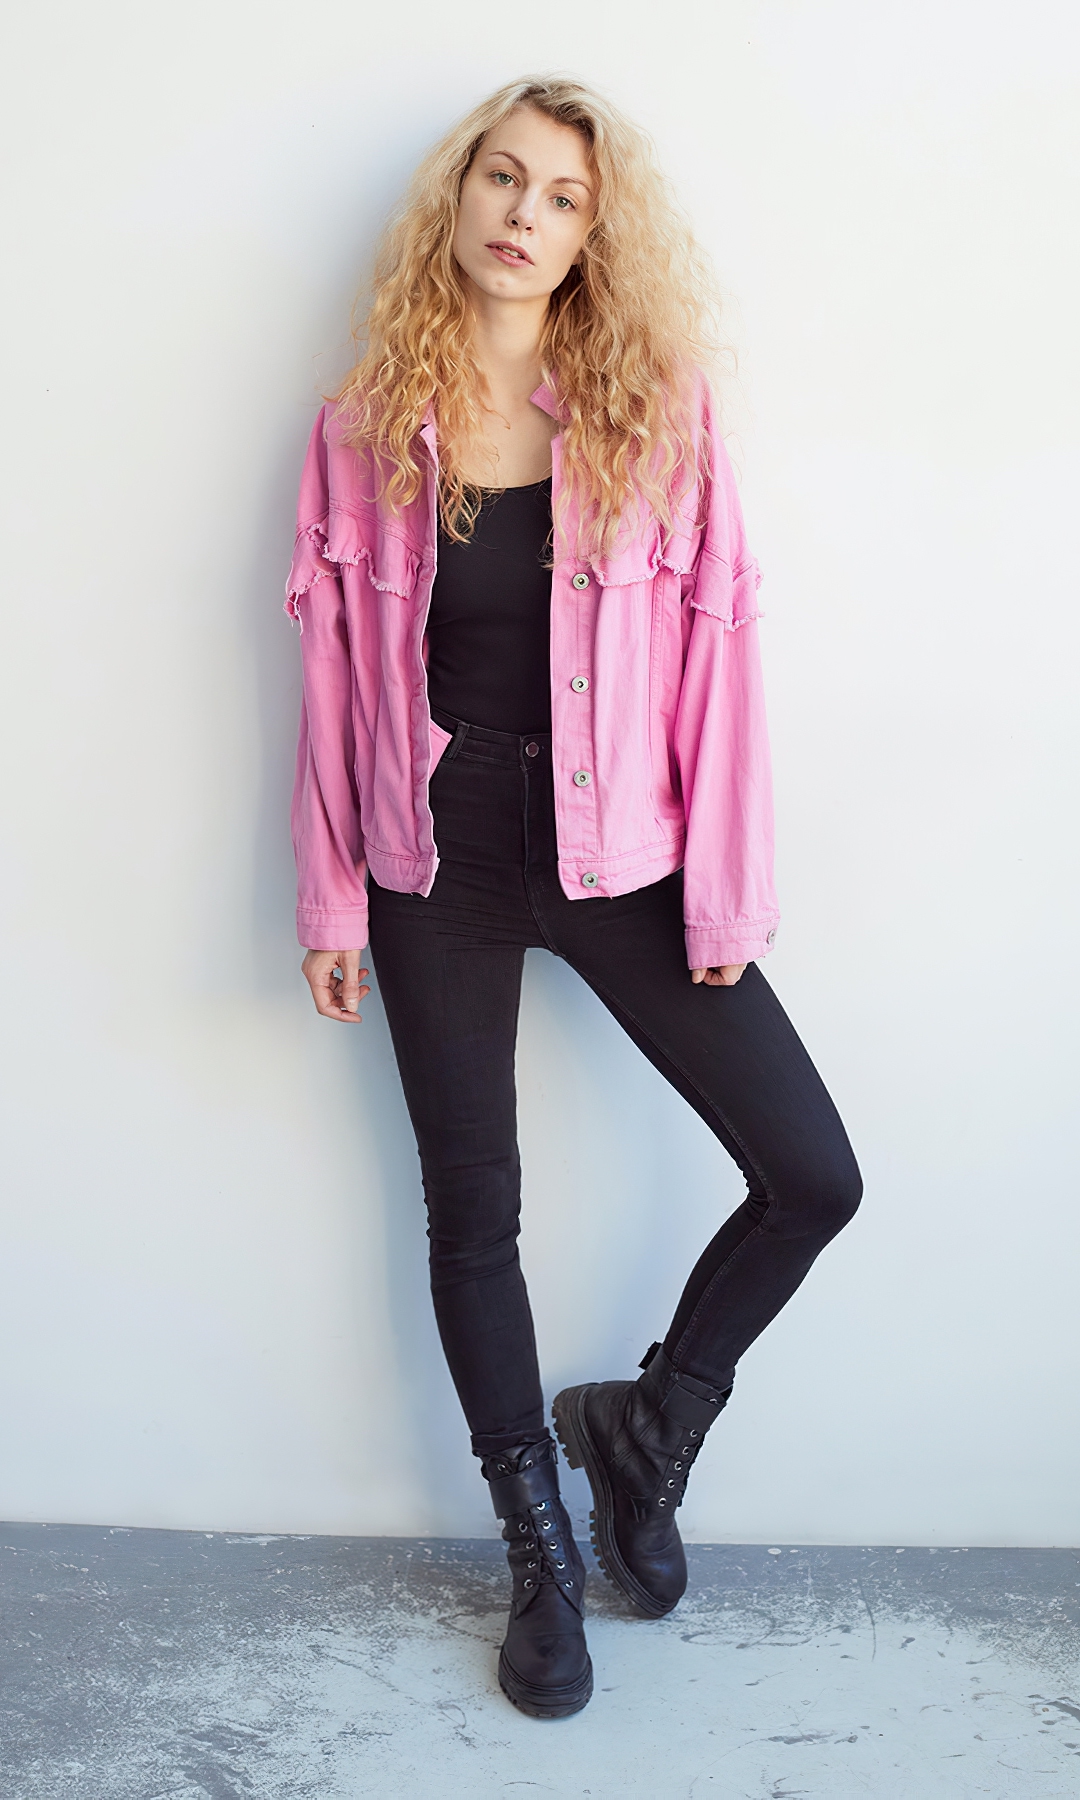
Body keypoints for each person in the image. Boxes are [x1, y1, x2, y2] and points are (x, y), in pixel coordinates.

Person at [286, 76, 862, 1721]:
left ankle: (650, 1424)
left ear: (596, 237)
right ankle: (539, 1553)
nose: (524, 216)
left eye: (563, 198)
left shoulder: (654, 412)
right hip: (436, 849)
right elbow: (331, 674)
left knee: (813, 1175)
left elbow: (724, 665)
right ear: (459, 195)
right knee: (472, 1211)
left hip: (628, 851)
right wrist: (332, 898)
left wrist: (725, 899)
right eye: (504, 178)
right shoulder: (360, 426)